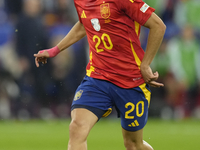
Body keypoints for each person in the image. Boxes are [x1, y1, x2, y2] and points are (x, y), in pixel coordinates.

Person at [34, 0, 166, 149]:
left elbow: (158, 26)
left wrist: (145, 64)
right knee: (77, 128)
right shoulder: (80, 1)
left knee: (133, 144)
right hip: (97, 78)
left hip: (130, 81)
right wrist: (54, 50)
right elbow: (84, 24)